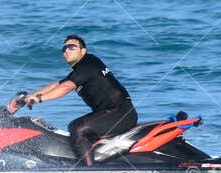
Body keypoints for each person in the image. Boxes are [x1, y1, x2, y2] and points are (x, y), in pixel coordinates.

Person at [9, 34, 137, 165]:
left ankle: (89, 172)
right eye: (64, 48)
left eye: (72, 47)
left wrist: (40, 99)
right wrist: (28, 97)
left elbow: (66, 86)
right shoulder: (80, 70)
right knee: (78, 129)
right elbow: (57, 84)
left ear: (83, 51)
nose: (66, 50)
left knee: (77, 128)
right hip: (111, 114)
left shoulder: (89, 63)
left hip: (120, 113)